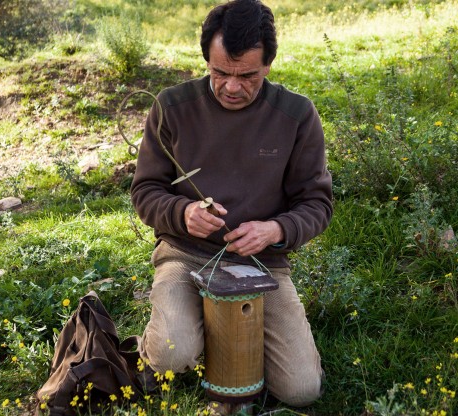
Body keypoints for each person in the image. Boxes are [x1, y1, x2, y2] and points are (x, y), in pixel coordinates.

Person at [130, 0, 333, 411]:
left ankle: (226, 334)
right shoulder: (171, 107)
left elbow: (316, 203)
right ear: (206, 59)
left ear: (269, 66)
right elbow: (146, 189)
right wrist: (181, 214)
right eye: (219, 72)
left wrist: (275, 231)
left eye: (247, 76)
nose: (232, 86)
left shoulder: (296, 114)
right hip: (186, 256)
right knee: (171, 354)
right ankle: (184, 330)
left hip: (261, 265)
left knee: (302, 390)